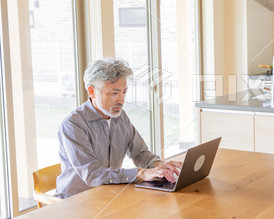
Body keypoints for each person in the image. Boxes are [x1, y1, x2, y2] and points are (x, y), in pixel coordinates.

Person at [56, 58, 182, 198]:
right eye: (114, 93)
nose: (121, 100)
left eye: (124, 92)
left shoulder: (119, 117)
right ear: (92, 91)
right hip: (76, 201)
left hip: (108, 194)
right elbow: (92, 174)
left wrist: (159, 166)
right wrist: (141, 173)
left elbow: (139, 153)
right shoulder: (73, 124)